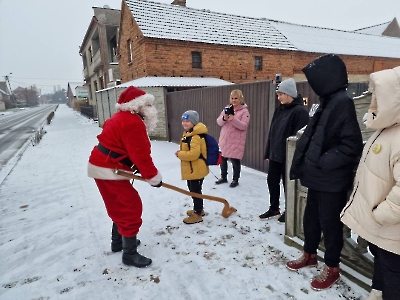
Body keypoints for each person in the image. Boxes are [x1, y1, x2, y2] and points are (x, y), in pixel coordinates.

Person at [286, 54, 364, 291]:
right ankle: (309, 254)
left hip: (332, 180)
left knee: (330, 226)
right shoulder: (328, 101)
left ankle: (332, 268)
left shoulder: (343, 102)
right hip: (317, 178)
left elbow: (351, 145)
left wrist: (323, 161)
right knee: (311, 219)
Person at [341, 66, 400, 300]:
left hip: (392, 229)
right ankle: (377, 292)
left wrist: (382, 214)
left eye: (378, 94)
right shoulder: (387, 128)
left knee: (394, 275)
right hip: (383, 230)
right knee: (382, 265)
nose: (373, 100)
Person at [87, 86, 162, 268]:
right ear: (139, 106)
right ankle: (129, 254)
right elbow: (140, 154)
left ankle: (119, 242)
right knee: (130, 206)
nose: (150, 107)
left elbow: (123, 148)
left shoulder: (120, 118)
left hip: (104, 165)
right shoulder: (132, 122)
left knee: (119, 204)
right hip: (109, 169)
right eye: (148, 104)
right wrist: (153, 177)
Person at [259, 78, 309, 223]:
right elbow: (272, 132)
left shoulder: (299, 112)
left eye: (281, 94)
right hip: (275, 155)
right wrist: (268, 152)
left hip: (289, 156)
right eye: (278, 94)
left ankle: (290, 211)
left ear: (289, 94)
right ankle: (274, 208)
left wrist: (295, 158)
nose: (279, 97)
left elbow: (300, 138)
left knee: (289, 185)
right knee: (272, 181)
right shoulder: (279, 109)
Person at [175, 110, 209, 224]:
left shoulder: (195, 137)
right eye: (183, 121)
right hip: (193, 168)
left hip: (196, 169)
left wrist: (180, 154)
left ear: (194, 122)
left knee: (195, 191)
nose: (184, 123)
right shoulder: (189, 134)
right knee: (194, 190)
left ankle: (198, 214)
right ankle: (198, 209)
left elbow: (194, 154)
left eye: (187, 121)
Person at [215, 89, 250, 188]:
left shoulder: (244, 111)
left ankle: (235, 179)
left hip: (236, 140)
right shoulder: (227, 108)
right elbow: (218, 122)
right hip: (225, 138)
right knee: (222, 158)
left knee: (235, 160)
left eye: (236, 98)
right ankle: (223, 177)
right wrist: (224, 118)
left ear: (240, 99)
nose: (234, 100)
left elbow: (244, 126)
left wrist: (233, 119)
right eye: (232, 98)